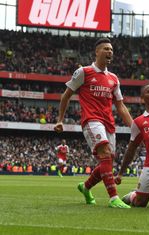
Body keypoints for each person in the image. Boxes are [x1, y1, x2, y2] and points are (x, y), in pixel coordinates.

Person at [54, 38, 132, 209]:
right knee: (105, 154)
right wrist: (60, 120)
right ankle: (113, 198)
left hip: (109, 123)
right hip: (91, 120)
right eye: (106, 48)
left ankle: (86, 187)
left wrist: (134, 127)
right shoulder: (84, 72)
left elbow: (121, 106)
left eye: (111, 49)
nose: (110, 52)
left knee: (108, 162)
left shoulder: (113, 78)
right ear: (97, 52)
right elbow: (66, 95)